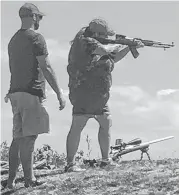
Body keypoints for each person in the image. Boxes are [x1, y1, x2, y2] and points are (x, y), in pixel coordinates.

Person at [65, 18, 144, 172]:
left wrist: (129, 47)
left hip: (97, 93)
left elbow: (113, 57)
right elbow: (109, 52)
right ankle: (71, 164)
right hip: (85, 91)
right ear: (96, 33)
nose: (107, 38)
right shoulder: (87, 41)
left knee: (105, 122)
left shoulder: (90, 42)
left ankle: (104, 160)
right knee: (79, 124)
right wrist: (126, 43)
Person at [4, 3, 66, 188]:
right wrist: (59, 93)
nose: (40, 20)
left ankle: (10, 181)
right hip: (31, 92)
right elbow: (45, 66)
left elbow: (14, 68)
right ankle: (30, 181)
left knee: (18, 138)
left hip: (16, 92)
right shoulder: (36, 38)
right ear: (33, 17)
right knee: (29, 138)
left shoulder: (13, 40)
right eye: (39, 17)